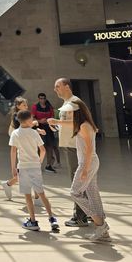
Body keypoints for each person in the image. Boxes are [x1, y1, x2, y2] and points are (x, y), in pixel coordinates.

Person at [49, 99, 110, 242]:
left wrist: (85, 168)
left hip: (87, 162)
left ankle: (100, 224)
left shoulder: (84, 126)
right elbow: (69, 124)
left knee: (75, 192)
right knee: (92, 192)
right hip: (89, 162)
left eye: (70, 112)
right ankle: (101, 229)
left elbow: (89, 149)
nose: (68, 115)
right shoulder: (84, 124)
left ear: (77, 112)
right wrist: (56, 122)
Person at [10, 109, 60, 231]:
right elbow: (43, 150)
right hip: (35, 167)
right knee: (41, 193)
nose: (33, 121)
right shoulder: (34, 133)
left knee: (27, 195)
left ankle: (33, 221)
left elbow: (13, 151)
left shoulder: (15, 133)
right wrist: (39, 162)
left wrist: (13, 168)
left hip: (23, 167)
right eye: (32, 119)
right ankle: (52, 218)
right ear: (28, 121)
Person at [53, 78, 89, 227]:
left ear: (67, 87)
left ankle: (80, 216)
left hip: (74, 146)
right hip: (71, 144)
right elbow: (69, 124)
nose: (55, 90)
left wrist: (56, 122)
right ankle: (90, 211)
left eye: (58, 86)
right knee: (82, 182)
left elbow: (78, 124)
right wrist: (57, 127)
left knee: (77, 182)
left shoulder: (73, 102)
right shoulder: (68, 103)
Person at [0, 97, 44, 200]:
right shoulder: (17, 117)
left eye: (26, 105)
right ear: (18, 106)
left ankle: (8, 184)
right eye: (24, 105)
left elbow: (28, 128)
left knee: (27, 174)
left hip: (26, 144)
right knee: (27, 174)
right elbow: (23, 128)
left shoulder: (24, 116)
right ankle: (36, 197)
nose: (26, 107)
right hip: (21, 145)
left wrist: (37, 130)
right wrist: (34, 124)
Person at [32, 92, 59, 172]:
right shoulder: (35, 107)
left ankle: (49, 165)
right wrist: (39, 121)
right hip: (39, 129)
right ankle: (37, 165)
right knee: (40, 147)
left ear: (45, 98)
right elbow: (32, 119)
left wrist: (48, 121)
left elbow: (53, 118)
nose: (42, 100)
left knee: (50, 146)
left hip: (49, 129)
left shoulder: (49, 107)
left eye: (43, 98)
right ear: (38, 99)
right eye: (40, 98)